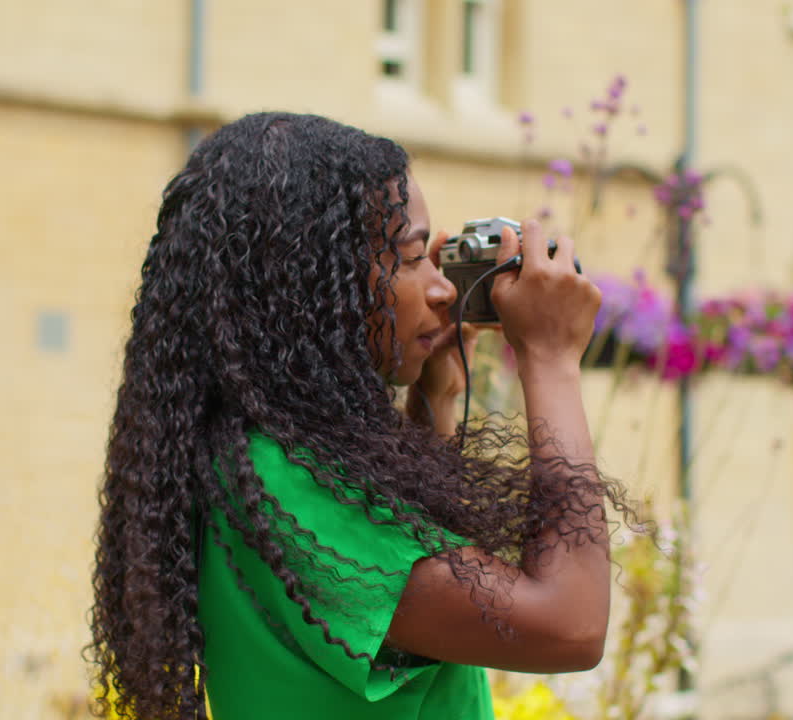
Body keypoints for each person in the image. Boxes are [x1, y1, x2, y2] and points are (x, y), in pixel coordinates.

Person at [90, 112, 631, 720]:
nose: (442, 289)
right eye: (409, 257)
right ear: (309, 283)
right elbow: (570, 625)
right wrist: (551, 358)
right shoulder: (297, 489)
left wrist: (437, 400)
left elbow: (431, 598)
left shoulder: (252, 463)